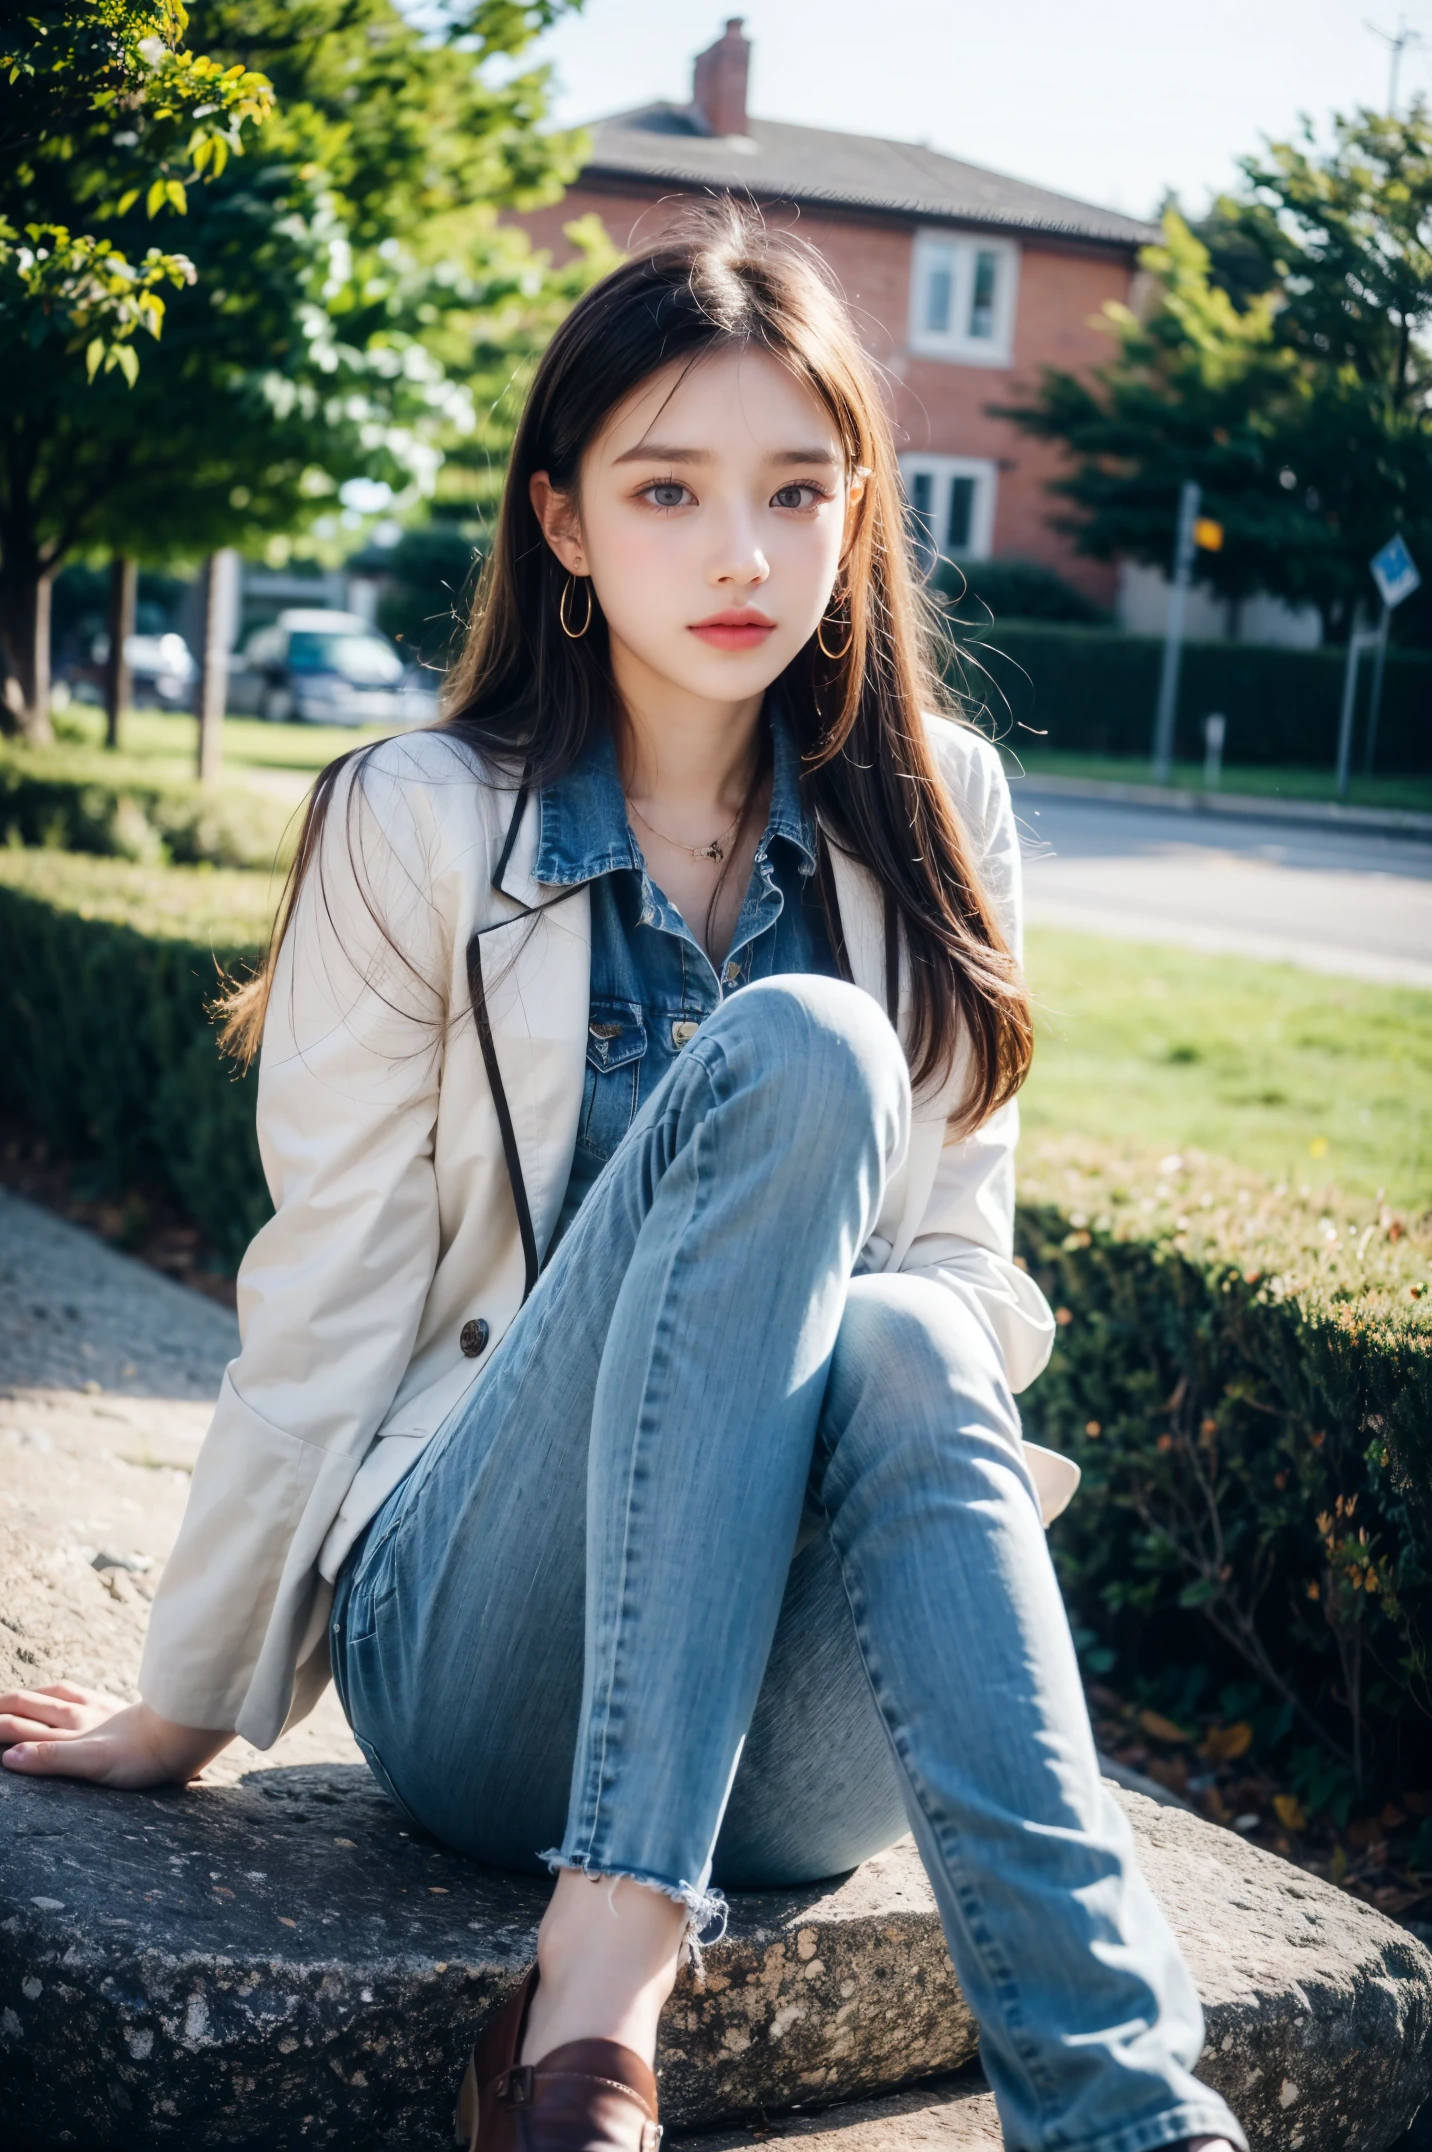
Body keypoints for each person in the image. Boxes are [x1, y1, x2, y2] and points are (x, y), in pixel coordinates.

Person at [0, 210, 1242, 2152]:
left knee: (917, 1321)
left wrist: (860, 1319)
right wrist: (187, 1697)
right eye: (666, 488)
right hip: (484, 1660)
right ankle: (611, 1956)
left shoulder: (942, 805)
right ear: (563, 523)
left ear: (852, 515)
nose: (740, 552)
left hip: (796, 1731)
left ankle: (1121, 2113)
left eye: (793, 489)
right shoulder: (412, 819)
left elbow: (962, 1276)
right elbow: (332, 1285)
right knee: (809, 1050)